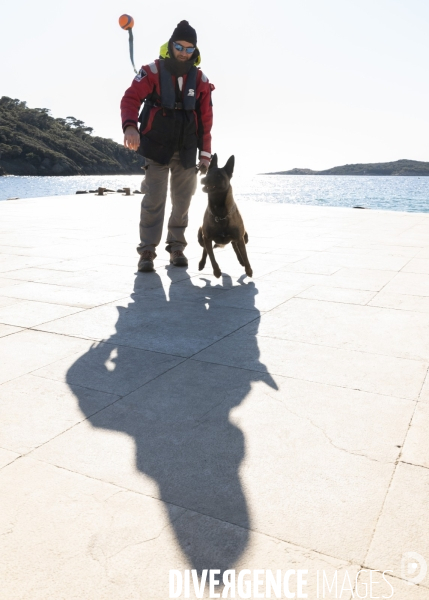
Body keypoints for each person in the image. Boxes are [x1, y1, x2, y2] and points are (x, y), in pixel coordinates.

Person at [121, 20, 214, 272]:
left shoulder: (202, 80)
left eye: (189, 48)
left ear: (195, 51)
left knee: (183, 200)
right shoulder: (151, 71)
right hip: (156, 146)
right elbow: (130, 98)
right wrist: (130, 126)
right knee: (154, 198)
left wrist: (205, 155)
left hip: (186, 149)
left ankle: (176, 247)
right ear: (170, 45)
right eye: (179, 46)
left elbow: (206, 120)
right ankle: (147, 251)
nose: (184, 52)